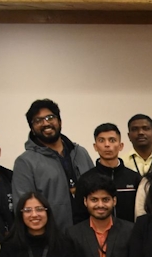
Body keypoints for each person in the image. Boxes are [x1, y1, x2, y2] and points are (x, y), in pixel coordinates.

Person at [12, 98, 94, 229]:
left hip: (88, 233)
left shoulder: (80, 153)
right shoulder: (25, 162)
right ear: (32, 129)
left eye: (50, 117)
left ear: (60, 121)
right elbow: (23, 208)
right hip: (52, 238)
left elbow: (97, 189)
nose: (46, 123)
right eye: (38, 120)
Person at [77, 123, 141, 223]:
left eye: (112, 140)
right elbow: (79, 215)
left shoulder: (134, 178)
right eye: (101, 140)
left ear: (121, 146)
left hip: (131, 235)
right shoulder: (85, 179)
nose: (107, 145)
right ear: (95, 146)